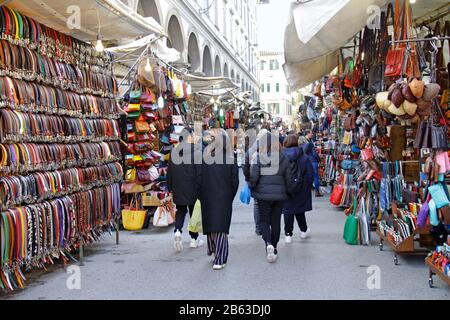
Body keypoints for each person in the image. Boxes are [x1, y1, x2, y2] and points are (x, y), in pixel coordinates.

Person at [249, 132, 294, 263]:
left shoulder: (258, 158)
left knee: (264, 221)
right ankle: (274, 247)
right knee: (275, 221)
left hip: (262, 196)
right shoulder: (283, 158)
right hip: (279, 196)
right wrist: (289, 191)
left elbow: (254, 178)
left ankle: (268, 243)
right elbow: (289, 178)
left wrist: (252, 187)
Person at [198, 129, 239, 270]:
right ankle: (220, 259)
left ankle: (214, 251)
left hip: (207, 196)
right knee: (221, 227)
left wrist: (201, 195)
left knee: (211, 224)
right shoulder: (230, 159)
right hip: (224, 197)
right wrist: (229, 196)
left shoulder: (205, 159)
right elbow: (235, 181)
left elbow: (199, 179)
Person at [167, 130, 202, 252]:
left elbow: (169, 173)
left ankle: (177, 231)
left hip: (178, 187)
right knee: (193, 212)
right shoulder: (196, 152)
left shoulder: (174, 152)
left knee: (180, 211)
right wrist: (201, 187)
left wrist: (170, 188)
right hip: (192, 187)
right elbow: (199, 172)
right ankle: (193, 239)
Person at [282, 134, 314, 243]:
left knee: (288, 210)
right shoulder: (304, 157)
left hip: (286, 189)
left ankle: (288, 235)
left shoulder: (281, 157)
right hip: (301, 188)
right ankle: (303, 231)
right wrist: (306, 187)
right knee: (300, 210)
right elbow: (310, 174)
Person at [242, 129, 269, 236]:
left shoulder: (251, 150)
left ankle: (258, 228)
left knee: (257, 204)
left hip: (254, 180)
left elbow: (244, 165)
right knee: (268, 203)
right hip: (266, 179)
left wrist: (248, 178)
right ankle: (267, 226)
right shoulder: (269, 148)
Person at [304, 130, 323, 197]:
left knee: (308, 176)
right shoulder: (309, 143)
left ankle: (307, 190)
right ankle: (317, 192)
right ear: (308, 133)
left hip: (307, 161)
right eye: (311, 133)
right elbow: (314, 153)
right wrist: (319, 159)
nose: (312, 134)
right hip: (312, 161)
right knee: (315, 176)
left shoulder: (303, 141)